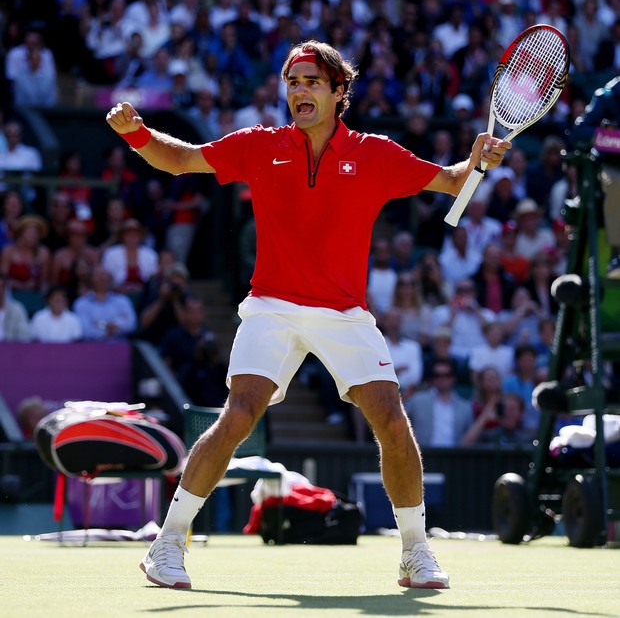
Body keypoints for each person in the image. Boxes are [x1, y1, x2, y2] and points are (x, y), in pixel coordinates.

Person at [106, 39, 510, 591]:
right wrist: (136, 132)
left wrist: (479, 159)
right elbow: (178, 160)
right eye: (293, 83)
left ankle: (416, 552)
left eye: (312, 82)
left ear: (339, 92)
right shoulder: (257, 145)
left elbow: (450, 178)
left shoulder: (376, 154)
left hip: (345, 314)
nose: (299, 91)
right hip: (273, 307)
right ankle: (168, 544)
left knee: (392, 421)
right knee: (239, 415)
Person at [570, 75, 620, 277]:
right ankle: (617, 256)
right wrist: (616, 140)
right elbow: (580, 132)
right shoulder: (607, 96)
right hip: (612, 165)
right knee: (617, 183)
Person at [405, 358, 473, 448]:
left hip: (455, 458)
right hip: (424, 456)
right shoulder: (417, 400)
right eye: (437, 375)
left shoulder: (465, 408)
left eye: (446, 375)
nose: (442, 379)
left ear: (453, 378)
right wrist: (403, 398)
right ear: (432, 378)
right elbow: (398, 421)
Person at [73, 265, 138, 340]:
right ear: (91, 279)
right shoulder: (81, 304)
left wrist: (100, 324)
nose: (102, 278)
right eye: (99, 276)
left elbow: (131, 324)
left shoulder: (122, 301)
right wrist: (106, 329)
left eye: (105, 275)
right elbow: (85, 330)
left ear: (110, 279)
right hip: (93, 346)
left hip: (120, 345)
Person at [0, 274, 31, 341]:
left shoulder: (17, 309)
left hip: (10, 349)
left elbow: (25, 336)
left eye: (1, 287)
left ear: (5, 289)